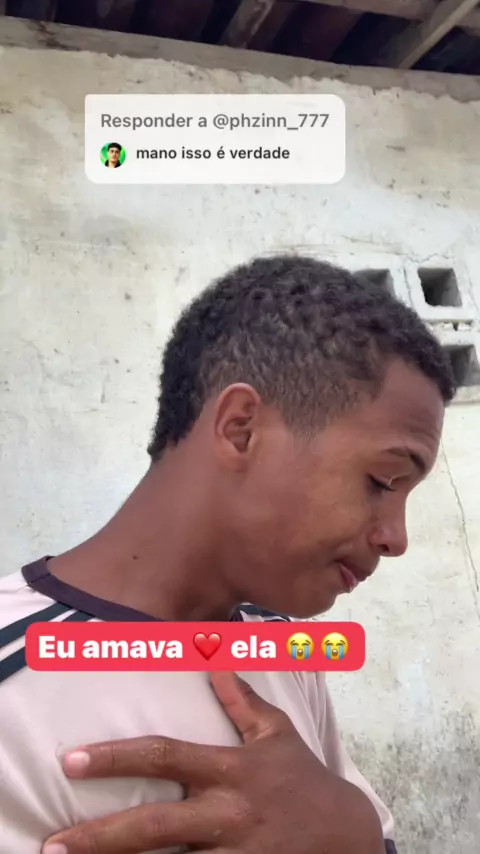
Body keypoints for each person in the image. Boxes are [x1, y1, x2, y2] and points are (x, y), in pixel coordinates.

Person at [0, 256, 455, 854]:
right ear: (241, 429)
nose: (397, 538)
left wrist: (355, 833)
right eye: (382, 481)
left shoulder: (283, 650)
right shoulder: (15, 674)